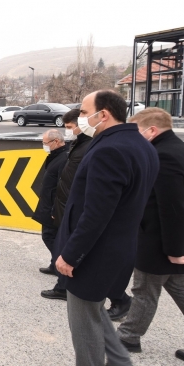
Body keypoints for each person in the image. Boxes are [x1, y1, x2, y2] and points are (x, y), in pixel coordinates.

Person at [55, 90, 159, 366]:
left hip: (95, 254)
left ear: (104, 114)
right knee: (95, 312)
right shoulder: (142, 145)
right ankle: (120, 360)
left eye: (84, 112)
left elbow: (97, 213)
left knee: (84, 324)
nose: (81, 118)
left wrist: (71, 255)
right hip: (118, 249)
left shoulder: (108, 150)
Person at [117, 108, 184, 365]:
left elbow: (172, 207)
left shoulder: (163, 155)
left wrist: (174, 250)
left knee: (144, 290)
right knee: (178, 287)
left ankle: (127, 336)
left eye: (136, 132)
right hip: (172, 236)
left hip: (161, 240)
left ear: (152, 130)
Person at [43, 109, 133, 320]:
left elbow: (92, 191)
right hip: (68, 206)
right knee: (63, 247)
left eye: (70, 126)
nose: (69, 131)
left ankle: (120, 299)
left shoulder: (96, 147)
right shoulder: (81, 145)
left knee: (86, 259)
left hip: (78, 210)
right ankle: (62, 286)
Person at [32, 129, 67, 278]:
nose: (44, 145)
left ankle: (62, 266)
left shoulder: (64, 158)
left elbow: (62, 186)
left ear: (56, 141)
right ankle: (55, 265)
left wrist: (55, 209)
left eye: (45, 143)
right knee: (51, 236)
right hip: (48, 204)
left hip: (53, 207)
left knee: (49, 236)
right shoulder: (56, 156)